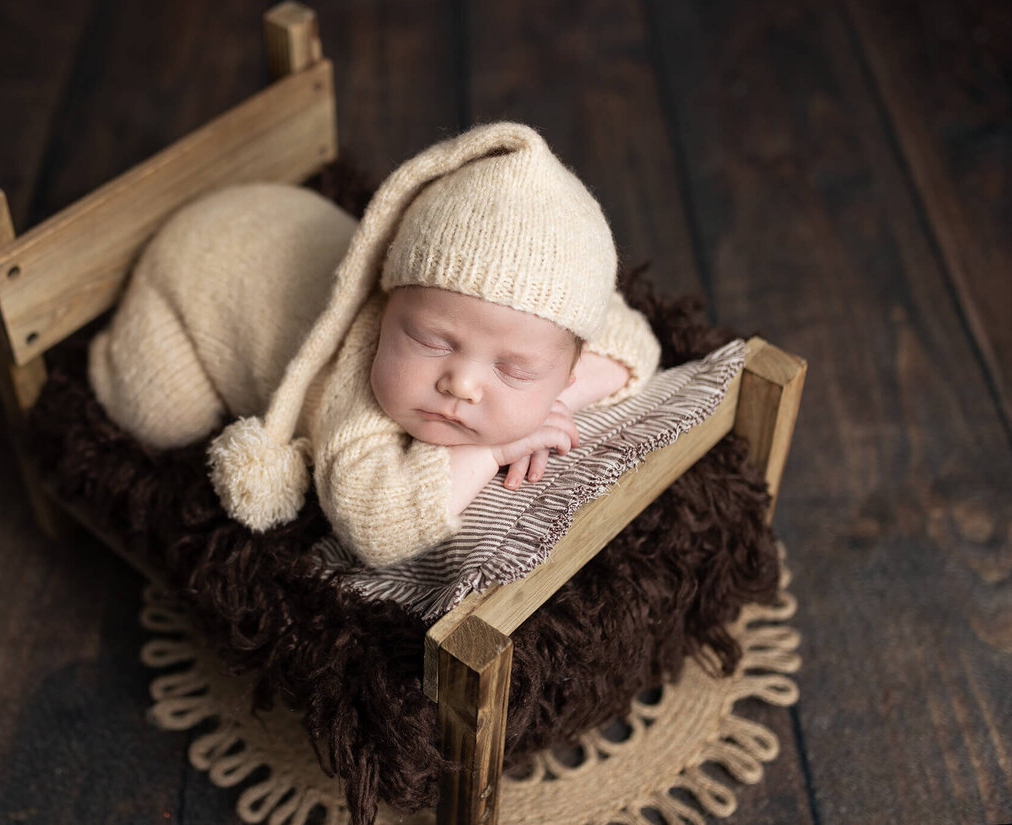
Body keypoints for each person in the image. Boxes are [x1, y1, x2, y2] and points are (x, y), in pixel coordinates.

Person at [89, 122, 660, 567]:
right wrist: (487, 450)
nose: (461, 383)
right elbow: (373, 526)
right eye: (431, 340)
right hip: (196, 268)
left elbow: (635, 338)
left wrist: (558, 400)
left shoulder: (548, 325)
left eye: (514, 368)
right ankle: (105, 351)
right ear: (387, 307)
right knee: (162, 414)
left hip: (272, 221)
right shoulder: (360, 384)